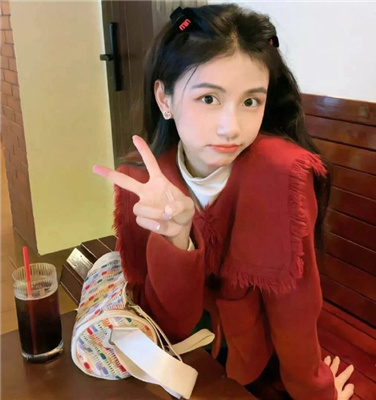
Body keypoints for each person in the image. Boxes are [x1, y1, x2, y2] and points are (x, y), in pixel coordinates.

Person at [93, 4, 354, 400]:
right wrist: (176, 238)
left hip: (251, 363)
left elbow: (294, 305)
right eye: (209, 98)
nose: (231, 128)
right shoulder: (144, 181)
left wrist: (317, 394)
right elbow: (167, 325)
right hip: (179, 360)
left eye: (250, 102)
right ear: (165, 98)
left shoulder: (280, 175)